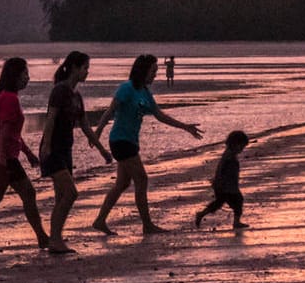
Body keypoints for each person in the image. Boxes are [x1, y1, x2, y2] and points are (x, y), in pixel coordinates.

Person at [90, 54, 202, 235]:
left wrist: (185, 127)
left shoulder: (145, 92)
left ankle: (100, 220)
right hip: (120, 141)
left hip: (131, 142)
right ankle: (147, 225)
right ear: (143, 71)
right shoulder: (126, 88)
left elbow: (160, 115)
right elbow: (110, 111)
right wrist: (97, 132)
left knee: (122, 183)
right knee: (141, 179)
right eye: (153, 71)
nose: (155, 75)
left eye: (156, 71)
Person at [37, 51, 111, 254]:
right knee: (71, 193)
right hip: (53, 150)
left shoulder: (76, 96)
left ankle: (55, 239)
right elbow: (50, 119)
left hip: (66, 150)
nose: (88, 72)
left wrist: (103, 151)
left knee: (61, 196)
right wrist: (46, 147)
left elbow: (86, 126)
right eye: (85, 68)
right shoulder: (60, 91)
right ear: (75, 68)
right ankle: (55, 239)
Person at [0, 57, 49, 257]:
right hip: (4, 157)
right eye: (24, 73)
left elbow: (13, 133)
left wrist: (28, 153)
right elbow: (4, 131)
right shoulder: (9, 98)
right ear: (15, 76)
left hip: (3, 155)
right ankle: (42, 237)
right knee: (28, 193)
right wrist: (1, 159)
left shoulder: (8, 96)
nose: (28, 78)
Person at [195, 130, 253, 230]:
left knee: (219, 203)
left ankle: (202, 214)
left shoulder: (229, 155)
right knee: (238, 201)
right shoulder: (229, 156)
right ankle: (236, 222)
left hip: (225, 185)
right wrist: (218, 182)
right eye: (241, 146)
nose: (242, 149)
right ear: (234, 144)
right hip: (226, 186)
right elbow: (222, 170)